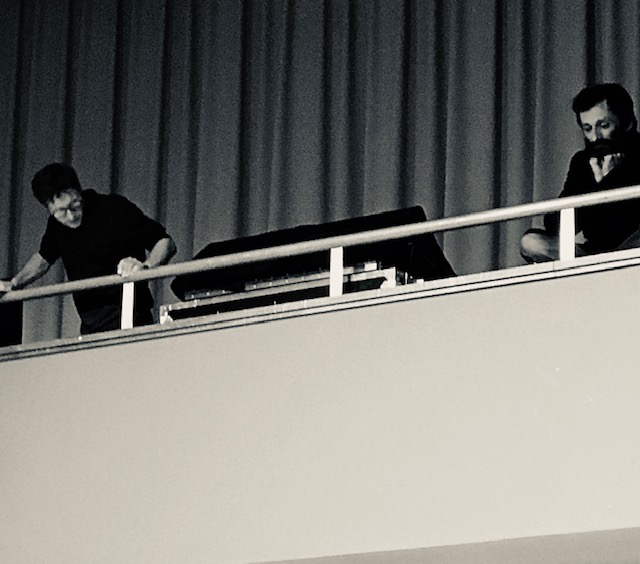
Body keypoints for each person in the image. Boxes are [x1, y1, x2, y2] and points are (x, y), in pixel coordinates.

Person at [0, 163, 177, 334]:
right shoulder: (55, 226)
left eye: (75, 205)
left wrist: (145, 267)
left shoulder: (114, 208)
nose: (70, 216)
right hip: (90, 320)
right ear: (47, 208)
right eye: (61, 211)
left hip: (131, 312)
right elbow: (43, 259)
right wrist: (14, 283)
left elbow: (165, 242)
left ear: (79, 192)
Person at [520, 83, 640, 262]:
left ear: (627, 123)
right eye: (588, 129)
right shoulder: (582, 162)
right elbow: (555, 225)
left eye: (604, 125)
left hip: (634, 250)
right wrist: (597, 184)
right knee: (531, 242)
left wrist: (611, 178)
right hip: (592, 256)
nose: (595, 137)